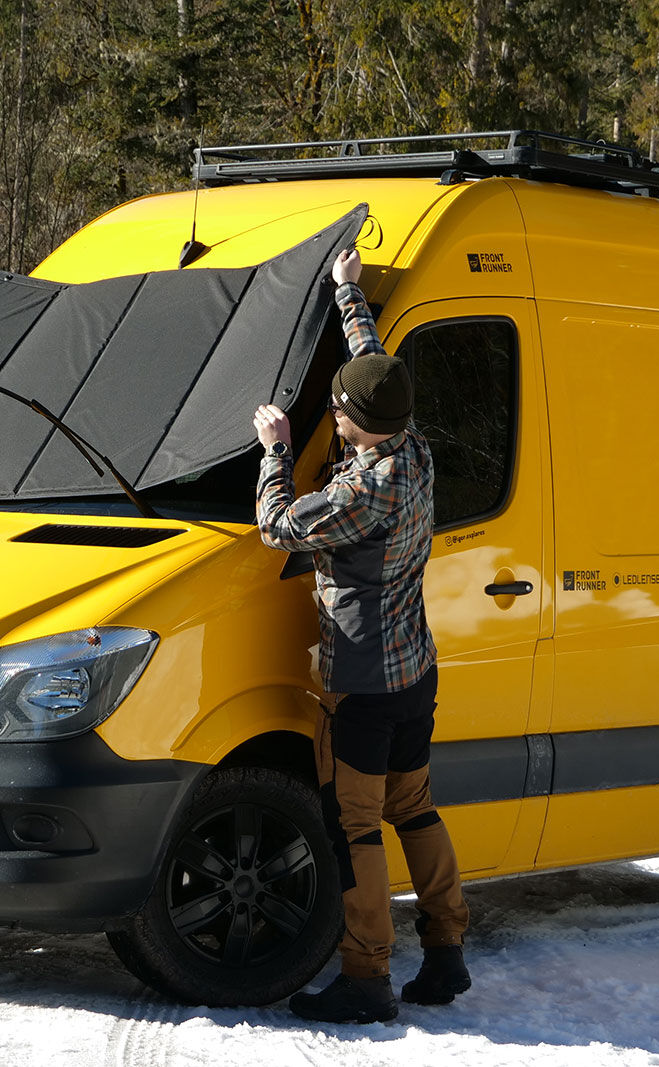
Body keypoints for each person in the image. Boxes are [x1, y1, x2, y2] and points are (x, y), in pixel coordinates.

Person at [252, 249, 470, 1024]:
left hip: (365, 683)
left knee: (356, 829)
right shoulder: (413, 450)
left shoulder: (362, 491)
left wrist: (276, 448)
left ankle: (366, 976)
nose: (331, 419)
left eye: (337, 415)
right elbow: (373, 367)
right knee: (415, 807)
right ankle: (446, 950)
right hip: (415, 671)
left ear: (354, 427)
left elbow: (278, 525)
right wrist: (348, 294)